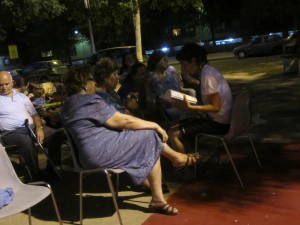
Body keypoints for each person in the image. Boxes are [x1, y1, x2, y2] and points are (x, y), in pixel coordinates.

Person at [61, 64, 201, 215]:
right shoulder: (88, 100)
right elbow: (122, 121)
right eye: (92, 80)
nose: (95, 83)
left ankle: (161, 191)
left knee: (148, 140)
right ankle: (173, 165)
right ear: (84, 83)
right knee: (151, 134)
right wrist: (155, 125)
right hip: (101, 152)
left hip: (87, 156)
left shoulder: (68, 104)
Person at [168, 43, 233, 153]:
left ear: (193, 61)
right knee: (181, 123)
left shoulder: (208, 75)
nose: (183, 68)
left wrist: (191, 107)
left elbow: (215, 107)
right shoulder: (207, 70)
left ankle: (185, 167)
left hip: (219, 124)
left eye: (184, 64)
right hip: (220, 119)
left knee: (173, 133)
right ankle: (191, 155)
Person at [0, 71, 64, 179]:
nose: (4, 87)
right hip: (12, 132)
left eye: (6, 84)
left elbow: (34, 115)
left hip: (31, 127)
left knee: (56, 134)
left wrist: (39, 127)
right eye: (0, 85)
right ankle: (36, 174)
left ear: (12, 82)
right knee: (26, 142)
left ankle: (52, 169)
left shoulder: (22, 97)